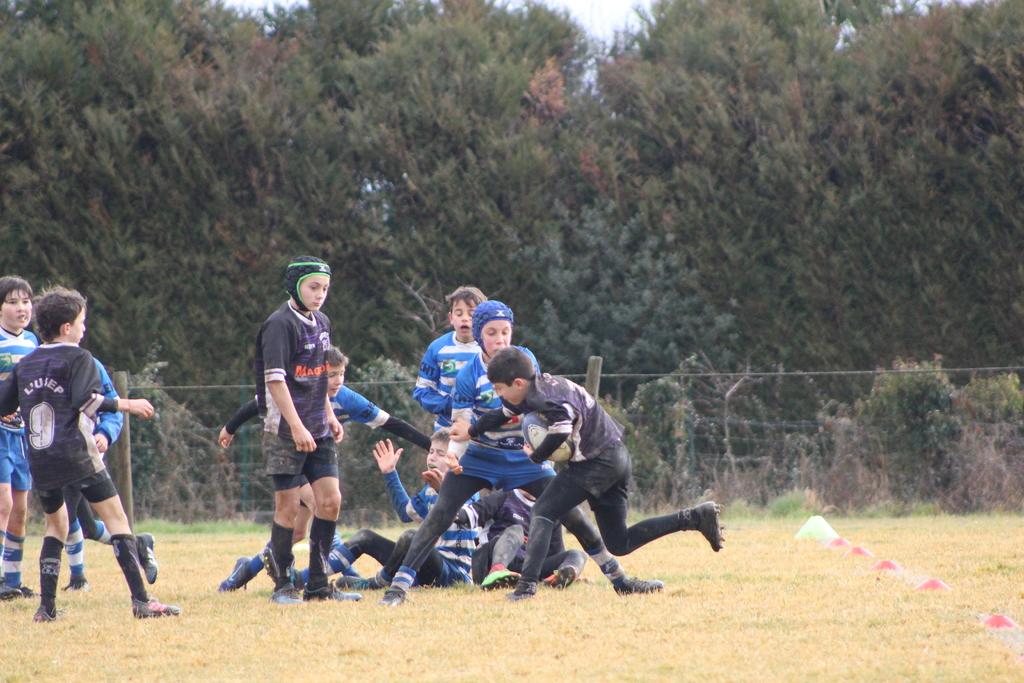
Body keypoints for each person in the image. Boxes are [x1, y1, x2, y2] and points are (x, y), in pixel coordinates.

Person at [378, 301, 655, 607]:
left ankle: (620, 580)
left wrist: (544, 448)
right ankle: (398, 589)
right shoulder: (468, 375)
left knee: (573, 517)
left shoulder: (524, 360)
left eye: (505, 332)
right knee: (440, 513)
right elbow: (461, 426)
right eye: (492, 333)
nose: (500, 339)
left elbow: (538, 410)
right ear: (479, 336)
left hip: (524, 458)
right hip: (481, 457)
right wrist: (454, 455)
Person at [461, 346, 726, 601]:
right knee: (620, 542)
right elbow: (501, 414)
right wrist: (471, 431)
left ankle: (526, 587)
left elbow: (562, 429)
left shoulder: (540, 398)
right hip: (615, 456)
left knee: (543, 510)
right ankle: (693, 518)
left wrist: (537, 456)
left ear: (518, 383)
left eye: (499, 388)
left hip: (597, 462)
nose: (497, 393)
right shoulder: (539, 388)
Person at [0, 286, 178, 621]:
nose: (84, 329)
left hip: (41, 459)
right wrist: (127, 404)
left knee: (55, 527)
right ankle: (141, 601)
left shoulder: (27, 363)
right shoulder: (79, 357)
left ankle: (46, 609)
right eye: (82, 322)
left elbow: (3, 405)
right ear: (66, 327)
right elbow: (87, 399)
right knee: (117, 520)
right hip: (76, 455)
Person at [217, 346, 430, 592]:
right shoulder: (297, 390)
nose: (338, 381)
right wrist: (229, 428)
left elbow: (392, 423)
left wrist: (431, 445)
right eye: (331, 375)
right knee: (323, 506)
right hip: (289, 459)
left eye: (341, 374)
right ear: (316, 374)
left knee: (298, 533)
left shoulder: (347, 399)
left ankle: (246, 569)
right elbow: (257, 403)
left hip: (317, 467)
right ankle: (346, 574)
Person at [254, 256, 353, 604]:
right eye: (313, 287)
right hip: (285, 431)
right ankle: (283, 586)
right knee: (288, 508)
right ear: (295, 287)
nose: (320, 294)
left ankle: (318, 585)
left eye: (325, 288)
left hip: (318, 429)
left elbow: (318, 376)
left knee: (330, 501)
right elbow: (276, 382)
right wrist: (296, 427)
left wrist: (329, 415)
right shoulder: (279, 325)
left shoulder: (322, 322)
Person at [335, 431, 478, 591]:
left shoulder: (468, 488)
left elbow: (462, 515)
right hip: (423, 566)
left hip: (452, 573)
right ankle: (315, 577)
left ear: (457, 461)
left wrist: (443, 491)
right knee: (365, 537)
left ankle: (376, 583)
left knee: (411, 538)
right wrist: (390, 473)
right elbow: (405, 512)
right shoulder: (429, 490)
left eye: (440, 453)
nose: (432, 457)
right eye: (431, 451)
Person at [62, 359, 159, 591]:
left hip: (85, 454)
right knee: (86, 526)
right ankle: (139, 544)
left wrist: (104, 434)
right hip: (54, 452)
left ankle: (77, 579)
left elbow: (112, 409)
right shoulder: (37, 359)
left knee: (64, 515)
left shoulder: (89, 364)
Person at [460, 487, 587, 590]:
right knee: (517, 530)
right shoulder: (504, 495)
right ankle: (497, 571)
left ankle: (560, 579)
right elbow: (471, 513)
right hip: (487, 563)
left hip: (522, 568)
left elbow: (555, 555)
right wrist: (452, 512)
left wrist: (565, 571)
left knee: (578, 554)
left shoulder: (550, 512)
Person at [0, 276, 37, 601]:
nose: (21, 308)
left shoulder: (33, 342)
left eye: (26, 301)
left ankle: (12, 581)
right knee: (4, 503)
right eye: (13, 302)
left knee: (20, 510)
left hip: (23, 436)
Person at [413, 286, 486, 430]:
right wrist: (448, 405)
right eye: (459, 313)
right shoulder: (437, 348)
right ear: (451, 318)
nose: (465, 318)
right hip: (446, 429)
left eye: (472, 314)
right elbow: (422, 390)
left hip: (484, 431)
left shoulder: (491, 349)